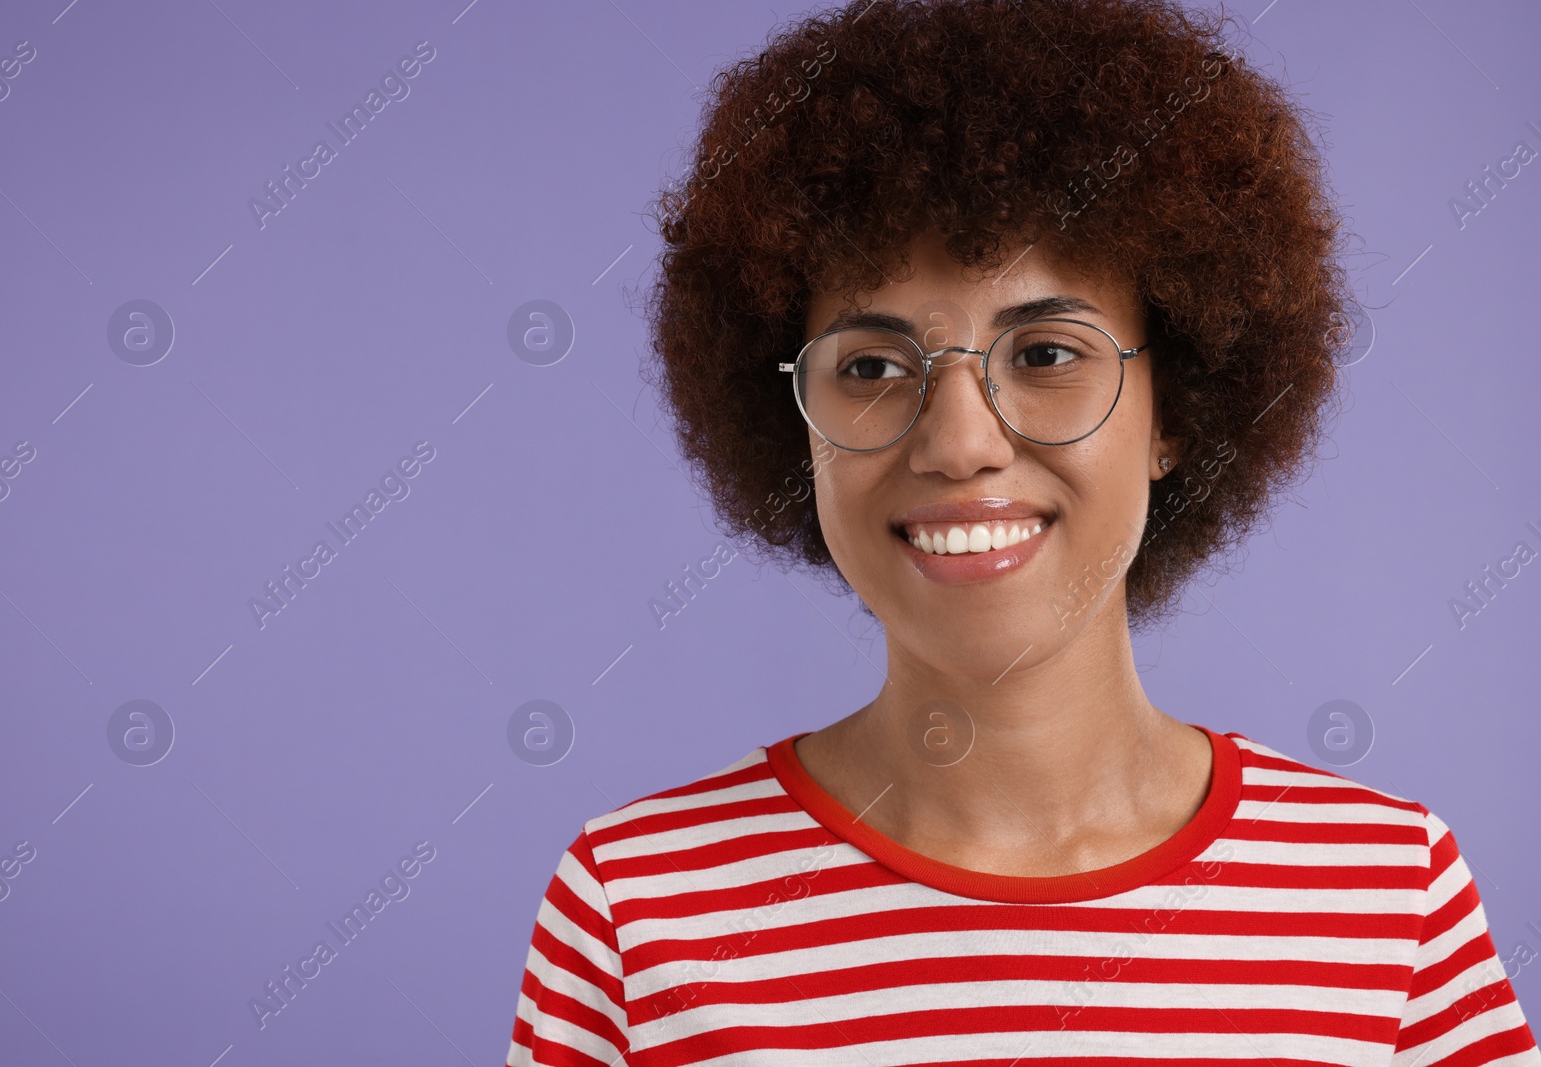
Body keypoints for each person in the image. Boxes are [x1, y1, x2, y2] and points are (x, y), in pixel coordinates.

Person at [506, 0, 1541, 1062]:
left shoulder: (1387, 894)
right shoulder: (638, 914)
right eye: (868, 366)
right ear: (792, 426)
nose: (958, 442)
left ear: (1173, 410)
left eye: (1045, 353)